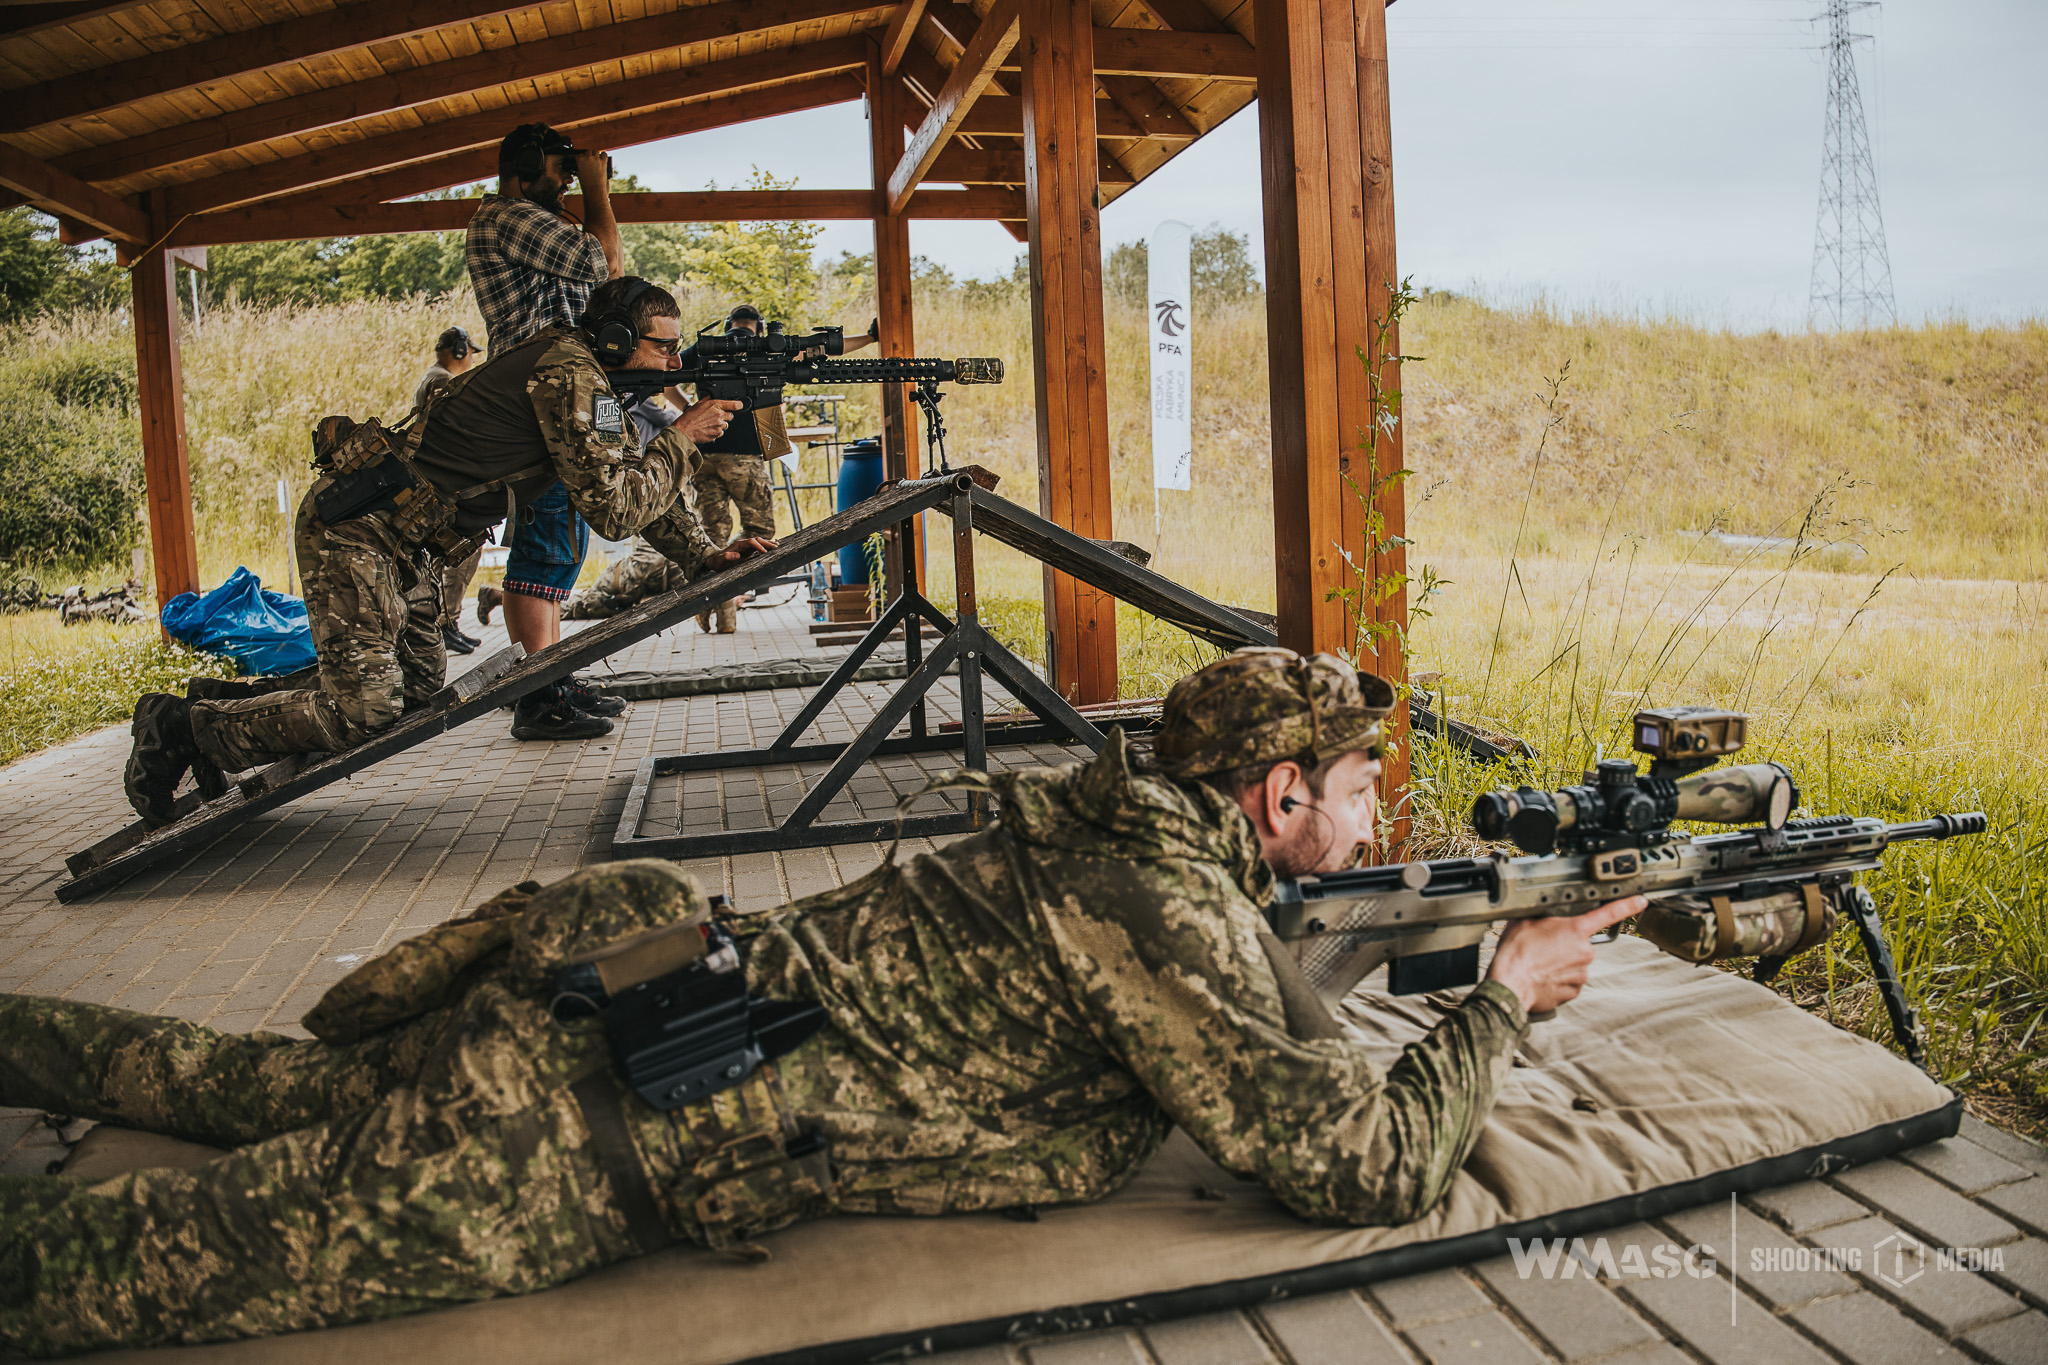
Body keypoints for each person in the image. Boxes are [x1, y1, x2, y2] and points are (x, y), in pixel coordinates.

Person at [21, 648, 1644, 1353]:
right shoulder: (1153, 909)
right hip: (573, 1130)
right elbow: (1356, 1167)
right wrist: (1499, 995)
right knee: (101, 1278)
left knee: (230, 1080)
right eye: (1360, 790)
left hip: (604, 1004)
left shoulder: (1091, 821)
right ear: (1278, 792)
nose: (1377, 820)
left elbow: (1250, 983)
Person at [119, 278, 760, 825]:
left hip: (409, 542)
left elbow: (624, 485)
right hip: (358, 529)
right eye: (665, 347)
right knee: (368, 708)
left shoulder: (596, 385)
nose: (675, 365)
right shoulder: (569, 375)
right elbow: (615, 511)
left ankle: (219, 709)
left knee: (417, 688)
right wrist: (680, 438)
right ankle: (183, 728)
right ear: (618, 340)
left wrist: (704, 557)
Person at [467, 122, 623, 729]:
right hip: (531, 402)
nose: (567, 185)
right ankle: (537, 694)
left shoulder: (538, 224)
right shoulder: (506, 217)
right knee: (543, 543)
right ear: (524, 171)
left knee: (560, 544)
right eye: (560, 173)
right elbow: (602, 262)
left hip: (550, 395)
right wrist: (597, 190)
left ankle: (551, 678)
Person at [416, 326, 487, 656]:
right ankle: (446, 623)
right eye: (470, 350)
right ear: (460, 351)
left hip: (443, 480)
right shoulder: (443, 381)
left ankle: (449, 623)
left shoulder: (436, 377)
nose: (472, 357)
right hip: (450, 483)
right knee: (462, 551)